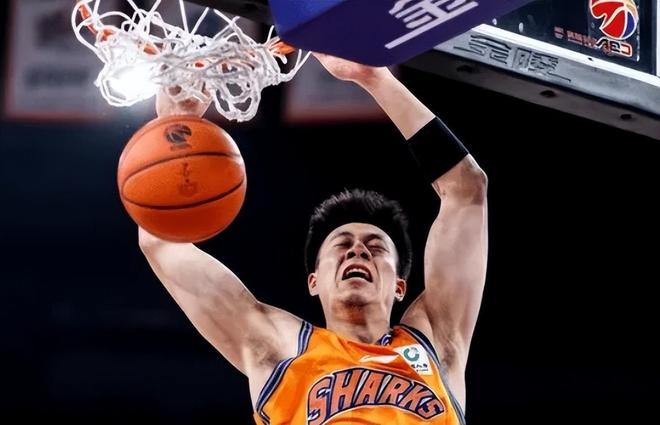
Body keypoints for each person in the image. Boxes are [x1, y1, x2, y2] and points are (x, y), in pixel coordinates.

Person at [140, 53, 488, 424]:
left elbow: (467, 188)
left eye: (375, 248)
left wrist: (375, 78)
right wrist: (173, 130)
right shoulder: (279, 348)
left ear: (400, 285)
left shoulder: (436, 340)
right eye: (342, 245)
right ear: (314, 281)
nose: (358, 250)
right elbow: (160, 242)